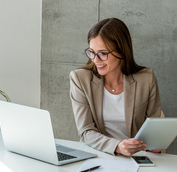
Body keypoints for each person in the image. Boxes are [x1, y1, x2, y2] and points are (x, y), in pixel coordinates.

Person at [69, 18, 163, 156]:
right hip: (99, 154)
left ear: (122, 52)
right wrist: (117, 146)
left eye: (102, 53)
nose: (95, 59)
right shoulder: (80, 79)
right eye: (92, 52)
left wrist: (157, 142)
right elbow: (86, 132)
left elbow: (154, 127)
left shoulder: (146, 79)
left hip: (137, 157)